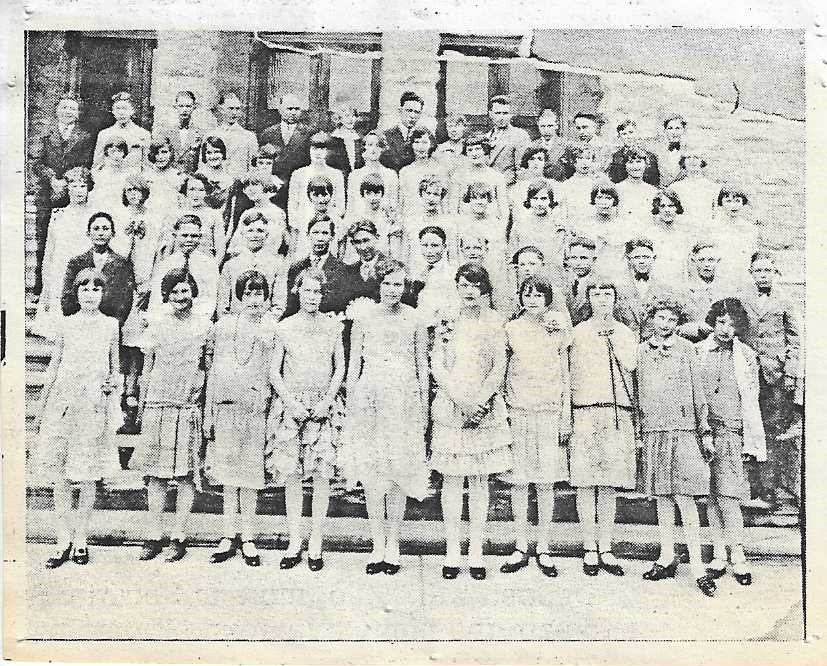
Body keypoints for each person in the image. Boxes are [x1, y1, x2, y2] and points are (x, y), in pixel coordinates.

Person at [341, 259, 430, 575]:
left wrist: (423, 411)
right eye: (387, 283)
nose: (393, 289)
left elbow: (421, 366)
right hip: (370, 398)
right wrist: (352, 404)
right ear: (378, 286)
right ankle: (377, 543)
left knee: (397, 472)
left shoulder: (416, 319)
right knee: (373, 472)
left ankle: (393, 544)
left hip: (404, 399)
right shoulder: (363, 319)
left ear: (404, 286)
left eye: (398, 283)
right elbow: (354, 367)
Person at [430, 264, 513, 580]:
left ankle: (476, 551)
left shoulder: (494, 323)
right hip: (453, 407)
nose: (469, 291)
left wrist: (480, 402)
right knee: (451, 480)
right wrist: (460, 400)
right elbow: (437, 363)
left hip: (484, 409)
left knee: (479, 481)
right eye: (464, 285)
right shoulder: (446, 322)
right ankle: (452, 551)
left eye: (476, 286)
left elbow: (498, 367)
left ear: (485, 289)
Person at [34, 268, 120, 568]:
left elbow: (114, 368)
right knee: (61, 475)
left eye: (96, 289)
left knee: (86, 474)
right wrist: (43, 406)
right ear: (76, 293)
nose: (90, 295)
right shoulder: (65, 324)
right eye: (84, 290)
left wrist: (112, 388)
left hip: (93, 405)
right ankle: (62, 540)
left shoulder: (110, 325)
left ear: (103, 294)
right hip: (64, 403)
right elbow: (54, 365)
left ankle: (81, 539)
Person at [636, 297, 717, 596]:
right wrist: (639, 433)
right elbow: (638, 392)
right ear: (652, 320)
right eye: (660, 318)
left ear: (677, 322)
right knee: (663, 499)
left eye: (671, 319)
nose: (665, 324)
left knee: (685, 499)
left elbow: (698, 392)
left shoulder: (687, 351)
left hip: (684, 431)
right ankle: (667, 557)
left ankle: (698, 567)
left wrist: (704, 431)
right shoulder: (642, 351)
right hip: (654, 430)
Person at [267, 267, 345, 571]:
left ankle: (316, 542)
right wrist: (291, 402)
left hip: (323, 406)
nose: (313, 297)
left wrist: (326, 401)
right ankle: (294, 540)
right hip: (292, 407)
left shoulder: (332, 326)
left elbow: (339, 367)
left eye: (318, 292)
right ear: (298, 292)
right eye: (308, 291)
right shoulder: (284, 327)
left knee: (321, 475)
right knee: (293, 476)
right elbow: (275, 370)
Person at [133, 268, 212, 562]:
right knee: (156, 474)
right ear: (166, 295)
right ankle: (154, 534)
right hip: (158, 403)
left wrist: (201, 399)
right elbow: (147, 368)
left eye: (186, 290)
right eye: (175, 292)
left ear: (193, 292)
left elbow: (206, 366)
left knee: (185, 473)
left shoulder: (204, 326)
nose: (181, 297)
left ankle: (179, 535)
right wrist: (142, 405)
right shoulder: (156, 325)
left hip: (188, 404)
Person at [500, 275, 571, 578]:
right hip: (518, 411)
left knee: (545, 481)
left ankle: (543, 545)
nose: (532, 300)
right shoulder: (510, 330)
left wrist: (564, 416)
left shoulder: (558, 330)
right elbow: (503, 373)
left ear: (547, 299)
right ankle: (520, 544)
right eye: (527, 294)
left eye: (539, 295)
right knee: (520, 480)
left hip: (548, 411)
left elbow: (565, 376)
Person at [204, 271, 274, 567]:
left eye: (259, 294)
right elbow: (214, 370)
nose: (254, 300)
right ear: (239, 297)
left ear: (266, 298)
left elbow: (273, 371)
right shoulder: (224, 327)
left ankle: (248, 536)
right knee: (228, 474)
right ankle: (227, 534)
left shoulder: (271, 329)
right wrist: (209, 412)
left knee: (248, 476)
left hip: (255, 410)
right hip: (225, 408)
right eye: (249, 294)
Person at [569, 278, 637, 577]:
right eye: (595, 294)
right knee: (585, 482)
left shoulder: (624, 332)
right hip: (584, 410)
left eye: (607, 294)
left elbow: (631, 366)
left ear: (615, 298)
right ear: (588, 298)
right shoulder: (578, 332)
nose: (601, 299)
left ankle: (606, 547)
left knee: (608, 483)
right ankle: (589, 547)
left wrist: (613, 339)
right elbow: (570, 373)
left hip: (615, 411)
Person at [697, 298, 766, 587]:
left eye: (733, 323)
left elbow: (752, 398)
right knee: (711, 495)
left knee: (729, 495)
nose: (726, 329)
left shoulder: (746, 355)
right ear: (712, 322)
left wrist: (746, 436)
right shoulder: (698, 352)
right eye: (722, 322)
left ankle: (737, 553)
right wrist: (702, 430)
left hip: (731, 432)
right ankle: (718, 553)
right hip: (703, 431)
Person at [60, 212, 135, 433]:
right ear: (88, 232)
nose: (101, 233)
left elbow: (125, 299)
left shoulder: (122, 264)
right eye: (96, 228)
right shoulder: (76, 262)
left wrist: (109, 323)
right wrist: (83, 317)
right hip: (81, 326)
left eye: (105, 229)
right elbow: (67, 296)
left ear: (112, 233)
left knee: (105, 375)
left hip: (107, 329)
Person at [738, 252, 801, 512]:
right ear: (751, 273)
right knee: (750, 429)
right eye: (758, 271)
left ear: (775, 273)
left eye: (767, 270)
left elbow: (795, 340)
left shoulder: (786, 302)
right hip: (749, 374)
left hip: (775, 377)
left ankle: (770, 490)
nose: (763, 275)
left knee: (773, 432)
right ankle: (751, 489)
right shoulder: (743, 300)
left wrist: (790, 373)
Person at [31, 93, 94, 297]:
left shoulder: (84, 136)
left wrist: (66, 181)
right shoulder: (45, 133)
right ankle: (41, 286)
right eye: (65, 107)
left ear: (77, 113)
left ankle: (69, 286)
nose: (68, 112)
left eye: (72, 109)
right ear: (57, 110)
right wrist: (52, 178)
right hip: (47, 195)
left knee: (71, 239)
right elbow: (36, 162)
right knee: (44, 238)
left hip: (71, 195)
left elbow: (85, 164)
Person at [32, 166, 97, 339]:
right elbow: (49, 253)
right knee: (59, 330)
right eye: (74, 186)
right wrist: (46, 286)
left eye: (82, 186)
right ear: (68, 188)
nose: (78, 190)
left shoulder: (95, 216)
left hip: (84, 273)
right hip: (59, 273)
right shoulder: (58, 215)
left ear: (89, 188)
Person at [149, 215, 220, 320]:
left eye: (194, 236)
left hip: (199, 320)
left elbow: (211, 300)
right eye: (184, 235)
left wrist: (195, 321)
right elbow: (157, 299)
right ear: (175, 235)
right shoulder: (165, 264)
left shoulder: (209, 265)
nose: (189, 239)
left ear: (200, 237)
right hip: (169, 320)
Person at [218, 210, 284, 318]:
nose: (255, 235)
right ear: (243, 233)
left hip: (264, 326)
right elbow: (222, 304)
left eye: (259, 231)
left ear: (266, 234)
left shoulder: (276, 264)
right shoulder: (230, 265)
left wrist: (266, 325)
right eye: (250, 231)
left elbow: (279, 304)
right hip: (235, 325)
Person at [281, 215, 347, 318]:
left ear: (332, 237)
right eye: (315, 232)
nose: (320, 238)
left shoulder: (342, 269)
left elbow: (341, 307)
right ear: (308, 235)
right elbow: (291, 306)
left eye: (325, 233)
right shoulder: (296, 268)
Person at [288, 133, 346, 233]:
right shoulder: (298, 174)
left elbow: (340, 207)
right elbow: (292, 206)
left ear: (328, 151)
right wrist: (300, 225)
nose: (318, 153)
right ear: (309, 150)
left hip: (328, 225)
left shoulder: (336, 175)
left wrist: (324, 221)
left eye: (322, 149)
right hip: (303, 225)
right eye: (315, 148)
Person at [614, 237, 670, 341]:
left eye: (646, 257)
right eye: (637, 257)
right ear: (629, 259)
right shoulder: (617, 288)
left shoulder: (664, 290)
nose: (642, 261)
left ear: (654, 258)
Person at [224, 174, 289, 260]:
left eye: (254, 185)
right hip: (244, 256)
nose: (250, 189)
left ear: (266, 187)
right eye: (246, 186)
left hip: (266, 258)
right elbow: (237, 240)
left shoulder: (276, 213)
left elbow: (274, 242)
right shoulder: (246, 213)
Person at [508, 180, 568, 271]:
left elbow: (559, 258)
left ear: (550, 201)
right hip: (525, 275)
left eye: (543, 199)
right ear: (529, 200)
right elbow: (512, 256)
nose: (539, 203)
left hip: (550, 274)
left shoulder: (558, 226)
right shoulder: (519, 224)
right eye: (535, 199)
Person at [163, 172, 225, 259]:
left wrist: (213, 269)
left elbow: (220, 250)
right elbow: (167, 249)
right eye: (192, 189)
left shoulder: (214, 215)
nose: (196, 194)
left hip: (205, 265)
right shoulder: (175, 215)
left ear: (206, 192)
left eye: (201, 190)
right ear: (185, 191)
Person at [341, 174, 401, 263]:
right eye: (368, 193)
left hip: (383, 263)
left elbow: (394, 252)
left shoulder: (388, 218)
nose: (373, 198)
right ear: (362, 194)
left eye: (377, 193)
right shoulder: (356, 219)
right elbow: (351, 251)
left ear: (382, 194)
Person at [678, 241, 730, 342]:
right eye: (701, 260)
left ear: (718, 261)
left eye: (711, 260)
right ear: (694, 261)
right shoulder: (683, 291)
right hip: (693, 349)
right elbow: (674, 327)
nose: (706, 265)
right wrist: (697, 329)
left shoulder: (727, 290)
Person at [403, 175, 458, 269]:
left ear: (441, 197)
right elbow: (406, 256)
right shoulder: (411, 221)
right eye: (428, 193)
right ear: (421, 194)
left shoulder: (449, 223)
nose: (431, 198)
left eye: (436, 194)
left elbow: (453, 257)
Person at [450, 133, 509, 219]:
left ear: (485, 150)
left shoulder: (497, 177)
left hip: (490, 224)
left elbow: (503, 208)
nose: (474, 153)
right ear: (466, 153)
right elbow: (453, 208)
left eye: (478, 149)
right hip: (466, 224)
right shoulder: (458, 176)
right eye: (470, 150)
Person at [407, 225, 458, 324]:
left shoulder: (452, 274)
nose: (429, 251)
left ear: (444, 247)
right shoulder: (415, 273)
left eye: (434, 245)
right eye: (425, 245)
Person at [259, 93, 313, 185]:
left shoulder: (309, 133)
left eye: (297, 109)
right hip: (274, 184)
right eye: (289, 109)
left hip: (299, 182)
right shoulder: (267, 133)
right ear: (280, 110)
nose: (293, 112)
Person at [92, 91, 151, 172]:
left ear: (132, 110)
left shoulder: (143, 134)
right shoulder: (104, 134)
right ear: (113, 111)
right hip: (110, 180)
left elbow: (146, 165)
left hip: (133, 180)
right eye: (118, 109)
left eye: (125, 108)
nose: (121, 112)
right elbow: (97, 165)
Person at [152, 91, 208, 175]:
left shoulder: (200, 133)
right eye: (181, 106)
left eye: (188, 106)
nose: (184, 110)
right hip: (170, 178)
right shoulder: (165, 132)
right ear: (175, 107)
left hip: (191, 179)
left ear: (194, 107)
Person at [346, 131, 400, 217]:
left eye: (377, 145)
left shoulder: (391, 175)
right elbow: (351, 208)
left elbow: (394, 206)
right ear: (364, 148)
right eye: (370, 145)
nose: (374, 149)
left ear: (382, 149)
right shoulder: (354, 176)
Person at [398, 127, 446, 217]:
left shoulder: (439, 169)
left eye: (424, 142)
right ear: (411, 145)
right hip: (411, 218)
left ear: (431, 144)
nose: (420, 147)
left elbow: (444, 202)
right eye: (416, 142)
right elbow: (401, 202)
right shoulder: (405, 171)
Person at [211, 92, 259, 179]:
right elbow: (203, 165)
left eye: (237, 109)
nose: (234, 113)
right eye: (230, 108)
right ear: (221, 109)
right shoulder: (212, 134)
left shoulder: (249, 137)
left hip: (239, 187)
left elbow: (254, 168)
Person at [648, 189, 692, 285]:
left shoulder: (684, 236)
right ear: (657, 209)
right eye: (663, 206)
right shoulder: (649, 235)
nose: (667, 210)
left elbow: (688, 267)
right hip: (656, 287)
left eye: (671, 206)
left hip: (679, 286)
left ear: (677, 208)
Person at [486, 95, 532, 186]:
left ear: (511, 114)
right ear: (490, 114)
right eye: (498, 113)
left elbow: (522, 170)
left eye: (505, 113)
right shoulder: (486, 137)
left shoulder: (519, 136)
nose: (502, 117)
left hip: (509, 189)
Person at [670, 146, 718, 225]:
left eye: (696, 157)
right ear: (683, 162)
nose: (692, 161)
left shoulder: (712, 187)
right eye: (688, 157)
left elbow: (716, 214)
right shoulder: (675, 187)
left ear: (702, 161)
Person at [380, 90, 424, 172]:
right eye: (409, 110)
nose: (412, 116)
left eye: (417, 112)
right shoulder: (386, 136)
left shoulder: (424, 136)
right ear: (400, 111)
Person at [607, 119, 660, 186]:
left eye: (631, 132)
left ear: (637, 133)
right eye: (624, 134)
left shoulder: (650, 156)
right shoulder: (616, 157)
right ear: (619, 137)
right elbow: (614, 179)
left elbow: (655, 181)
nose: (628, 137)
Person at [88, 137, 135, 211]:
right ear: (107, 152)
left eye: (120, 151)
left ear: (124, 153)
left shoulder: (128, 174)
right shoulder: (97, 173)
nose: (116, 155)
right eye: (113, 151)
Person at [556, 146, 599, 224]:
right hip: (572, 225)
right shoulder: (567, 185)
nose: (584, 162)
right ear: (574, 162)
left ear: (592, 161)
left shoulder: (596, 184)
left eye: (588, 158)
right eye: (580, 158)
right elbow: (563, 210)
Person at [615, 147, 659, 221]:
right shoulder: (617, 189)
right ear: (624, 166)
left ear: (646, 164)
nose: (635, 166)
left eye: (639, 161)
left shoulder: (653, 191)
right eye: (631, 162)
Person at [563, 236, 599, 326]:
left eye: (583, 258)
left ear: (594, 260)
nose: (578, 263)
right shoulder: (564, 283)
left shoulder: (601, 285)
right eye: (573, 258)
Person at [560, 112, 608, 178]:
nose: (581, 132)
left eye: (585, 127)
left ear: (595, 127)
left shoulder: (604, 148)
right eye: (578, 128)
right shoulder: (573, 148)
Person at [144, 138, 184, 214]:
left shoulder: (178, 176)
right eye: (156, 153)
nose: (160, 157)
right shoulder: (146, 176)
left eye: (164, 152)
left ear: (171, 153)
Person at [196, 135, 235, 212]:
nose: (213, 156)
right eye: (209, 153)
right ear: (204, 155)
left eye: (216, 152)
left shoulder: (230, 179)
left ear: (223, 153)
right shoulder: (198, 177)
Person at [530, 108, 567, 181]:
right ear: (538, 126)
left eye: (550, 126)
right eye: (543, 126)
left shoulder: (566, 146)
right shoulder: (532, 146)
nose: (546, 130)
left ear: (556, 125)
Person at [654, 114, 688, 187]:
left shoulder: (689, 153)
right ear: (665, 131)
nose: (674, 132)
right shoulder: (657, 153)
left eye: (677, 128)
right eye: (670, 128)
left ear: (684, 130)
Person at [330, 104, 363, 175]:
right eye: (347, 116)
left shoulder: (358, 137)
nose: (351, 119)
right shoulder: (335, 137)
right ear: (339, 119)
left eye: (353, 116)